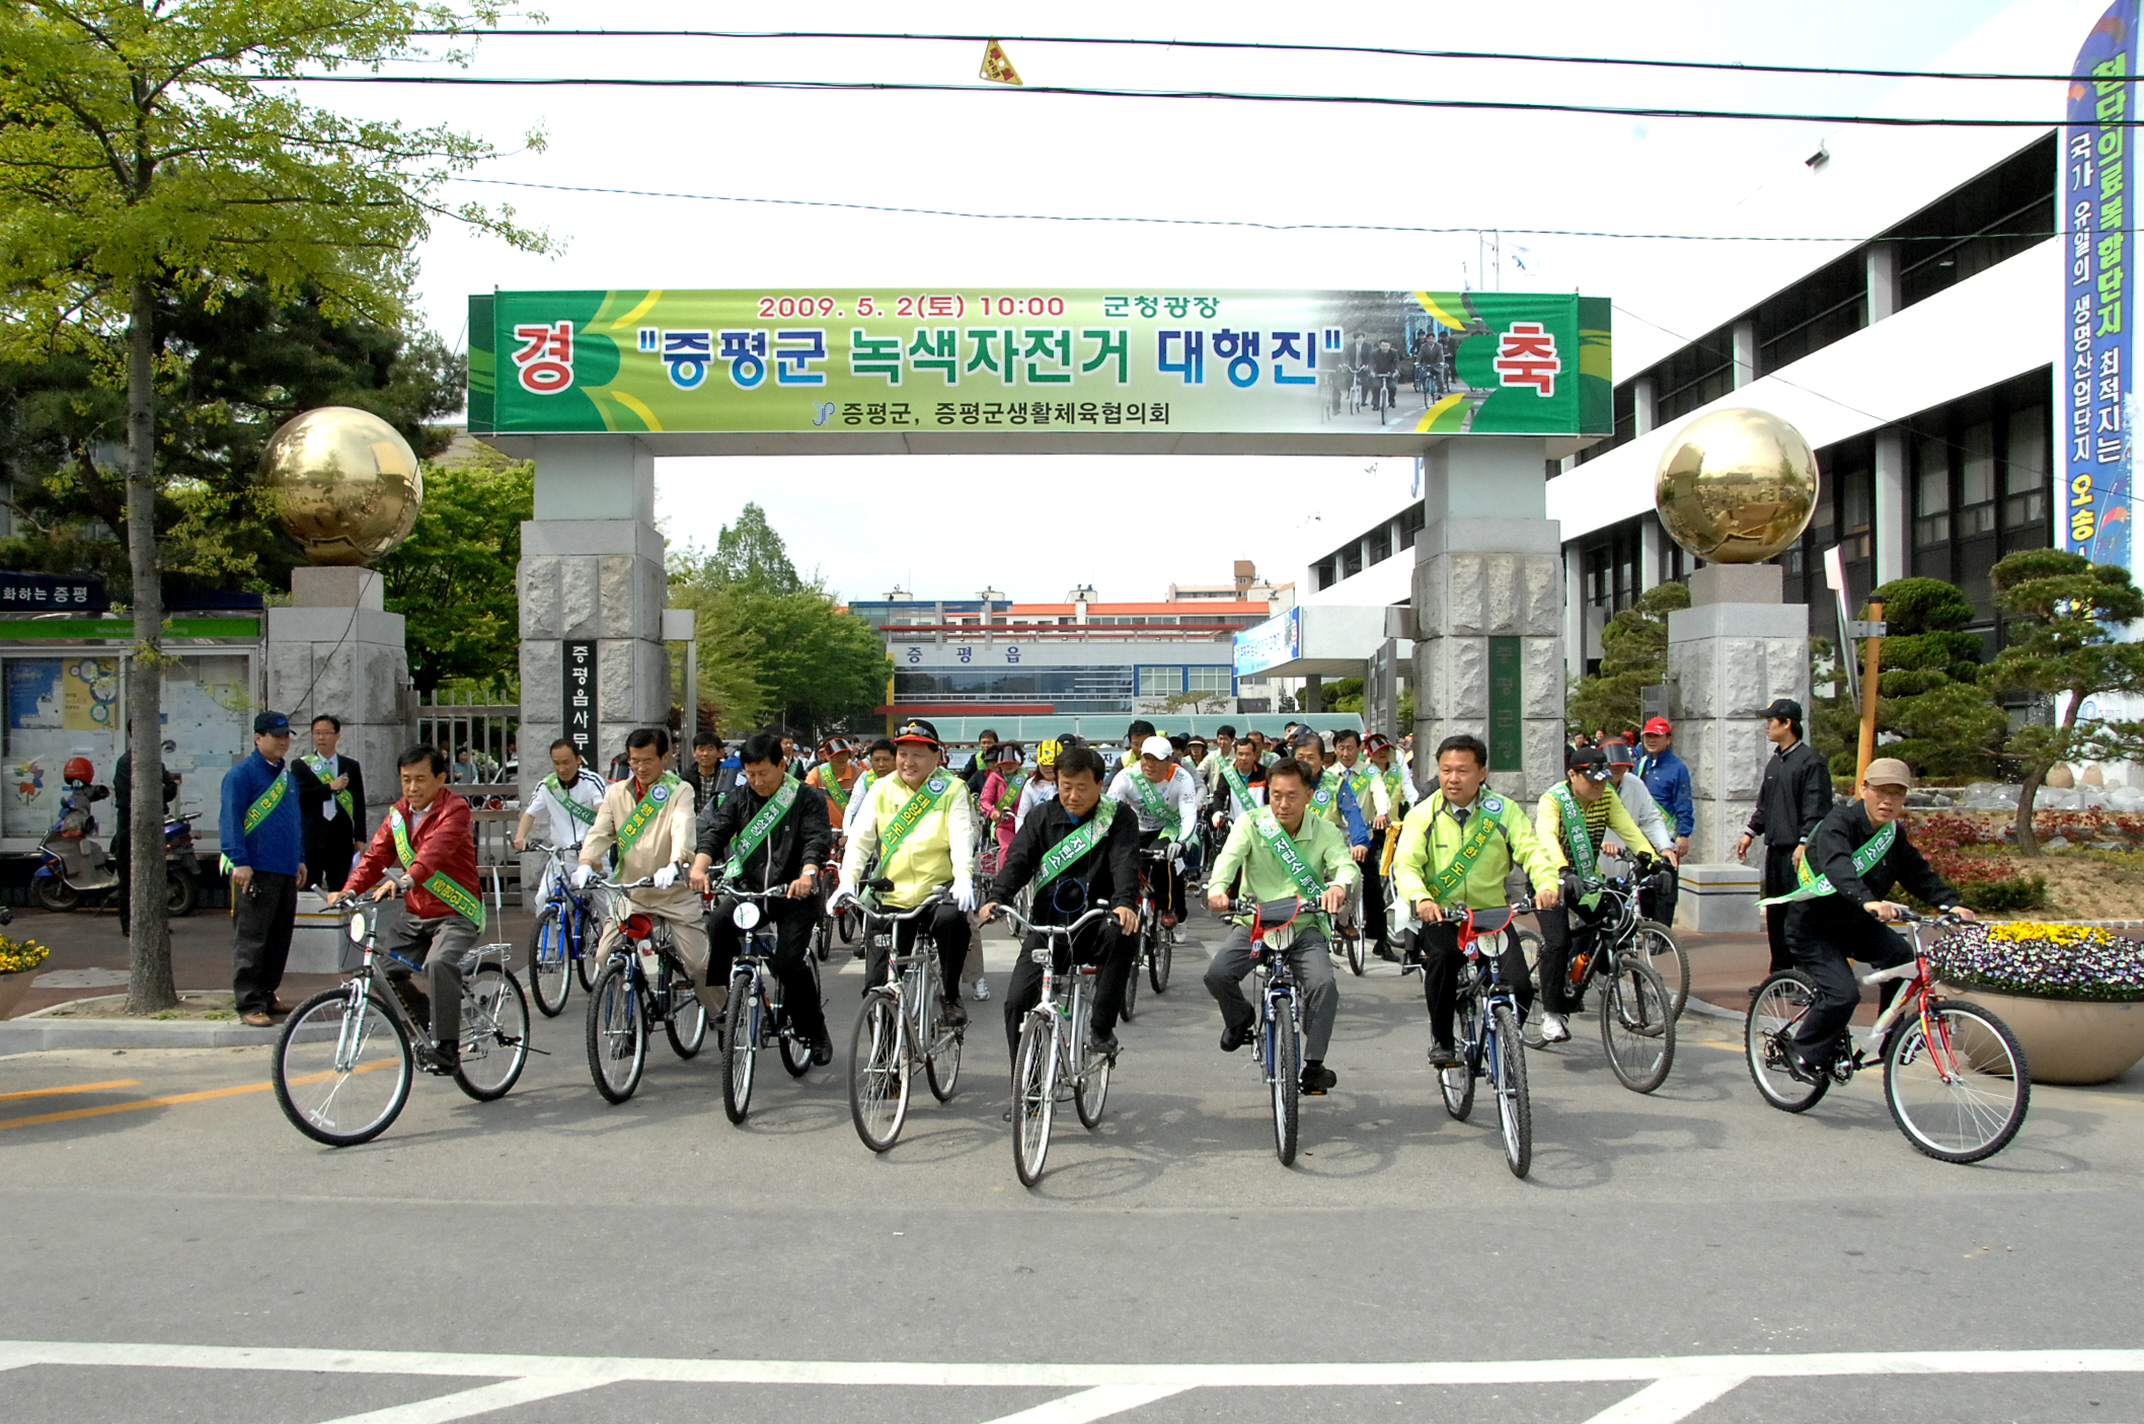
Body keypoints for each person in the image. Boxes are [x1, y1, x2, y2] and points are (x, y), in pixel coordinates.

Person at [1775, 758, 1975, 1081]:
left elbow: (1918, 874)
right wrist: (1868, 900)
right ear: (1863, 790)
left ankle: (1888, 1039)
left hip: (1856, 925)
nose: (1888, 801)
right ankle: (1803, 1051)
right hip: (1814, 928)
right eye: (1881, 791)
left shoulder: (1892, 834)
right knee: (1844, 994)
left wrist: (1950, 905)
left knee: (1900, 958)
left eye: (1897, 794)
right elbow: (1839, 866)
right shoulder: (1838, 823)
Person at [1391, 734, 1562, 1067]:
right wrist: (1421, 898)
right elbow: (1406, 864)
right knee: (1442, 961)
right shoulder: (1422, 815)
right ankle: (1442, 1040)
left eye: (1463, 771)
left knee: (1520, 988)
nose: (1453, 779)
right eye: (1446, 770)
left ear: (1482, 773)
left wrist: (1546, 883)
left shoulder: (1504, 811)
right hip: (1441, 915)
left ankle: (1502, 1036)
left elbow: (1532, 851)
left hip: (1490, 915)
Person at [1201, 757, 1357, 1095]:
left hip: (1303, 924)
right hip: (1255, 922)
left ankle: (1314, 1063)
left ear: (1308, 795)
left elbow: (1345, 867)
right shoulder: (1250, 824)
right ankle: (1240, 1018)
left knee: (1323, 984)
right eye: (1275, 795)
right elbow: (1228, 860)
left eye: (1291, 796)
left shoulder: (1325, 830)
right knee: (1218, 974)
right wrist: (1217, 889)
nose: (1283, 804)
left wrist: (1338, 886)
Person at [328, 744, 485, 1070]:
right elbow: (374, 858)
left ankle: (447, 1047)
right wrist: (348, 890)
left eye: (420, 780)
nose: (412, 788)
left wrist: (406, 879)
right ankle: (429, 1021)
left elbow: (435, 852)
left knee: (439, 964)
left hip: (456, 912)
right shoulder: (397, 815)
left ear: (440, 778)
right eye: (406, 780)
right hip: (416, 913)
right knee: (383, 972)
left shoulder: (454, 810)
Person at [982, 744, 1141, 1061]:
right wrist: (998, 897)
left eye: (1082, 788)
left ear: (1100, 784)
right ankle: (1028, 1084)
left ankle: (1101, 1028)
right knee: (1016, 1002)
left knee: (1124, 932)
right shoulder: (1041, 817)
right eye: (1065, 787)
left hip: (1095, 922)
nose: (1073, 795)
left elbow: (1125, 862)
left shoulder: (1118, 817)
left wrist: (1124, 903)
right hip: (1047, 924)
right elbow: (1018, 863)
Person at [690, 731, 835, 1064]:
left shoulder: (806, 797)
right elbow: (715, 834)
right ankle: (728, 1000)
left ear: (782, 765)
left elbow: (816, 839)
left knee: (787, 961)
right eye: (750, 774)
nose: (757, 781)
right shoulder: (738, 798)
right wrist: (699, 867)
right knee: (718, 924)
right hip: (752, 891)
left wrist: (807, 874)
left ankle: (815, 1031)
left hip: (795, 895)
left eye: (763, 773)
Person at [837, 717, 977, 1026]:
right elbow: (860, 841)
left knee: (953, 920)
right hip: (890, 893)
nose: (907, 762)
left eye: (918, 754)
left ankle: (951, 996)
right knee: (876, 984)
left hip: (935, 892)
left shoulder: (952, 789)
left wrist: (964, 875)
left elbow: (960, 836)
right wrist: (847, 880)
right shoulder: (881, 789)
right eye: (903, 754)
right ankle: (884, 1055)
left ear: (936, 756)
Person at [574, 727, 720, 1015]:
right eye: (634, 761)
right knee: (605, 957)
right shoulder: (616, 793)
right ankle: (626, 1019)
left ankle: (721, 1015)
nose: (640, 767)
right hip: (632, 893)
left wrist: (676, 862)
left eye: (647, 761)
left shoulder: (679, 790)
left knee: (699, 965)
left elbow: (683, 828)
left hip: (674, 892)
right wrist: (586, 862)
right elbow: (600, 832)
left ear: (665, 758)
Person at [1533, 745, 1660, 1044]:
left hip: (1587, 878)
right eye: (1591, 780)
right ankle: (1552, 1013)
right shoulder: (1553, 800)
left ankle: (1598, 971)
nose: (1598, 786)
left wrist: (1653, 861)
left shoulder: (1606, 797)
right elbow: (1546, 837)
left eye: (1602, 780)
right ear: (1572, 775)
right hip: (1550, 877)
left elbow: (1630, 831)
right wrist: (1562, 871)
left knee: (1618, 919)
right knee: (1558, 941)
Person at [1734, 697, 1833, 980]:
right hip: (1775, 850)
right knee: (1776, 914)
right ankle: (1779, 975)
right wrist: (1749, 832)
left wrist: (1804, 843)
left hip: (1800, 852)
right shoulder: (1775, 762)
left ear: (1787, 723)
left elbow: (1817, 808)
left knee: (1800, 915)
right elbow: (1765, 805)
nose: (1766, 726)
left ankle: (1808, 977)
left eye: (1771, 721)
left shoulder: (1811, 762)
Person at [219, 711, 306, 1027]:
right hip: (255, 869)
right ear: (258, 738)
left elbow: (294, 821)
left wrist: (299, 857)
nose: (283, 741)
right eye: (276, 735)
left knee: (278, 936)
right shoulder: (241, 776)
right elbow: (230, 819)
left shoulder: (288, 778)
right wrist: (239, 859)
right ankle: (249, 1002)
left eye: (286, 736)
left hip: (284, 868)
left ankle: (267, 993)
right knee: (252, 937)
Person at [1107, 734, 1201, 926]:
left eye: (1156, 760)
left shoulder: (1182, 778)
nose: (1149, 764)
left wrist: (1182, 842)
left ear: (1169, 761)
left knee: (1164, 859)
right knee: (1127, 865)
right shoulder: (1126, 777)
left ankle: (1167, 909)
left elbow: (1189, 815)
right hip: (1136, 828)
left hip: (1167, 828)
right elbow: (1107, 812)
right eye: (1145, 758)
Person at [512, 739, 607, 896]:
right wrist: (520, 837)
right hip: (562, 856)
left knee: (607, 906)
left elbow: (603, 810)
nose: (561, 769)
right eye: (556, 763)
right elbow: (530, 813)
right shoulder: (547, 786)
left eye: (566, 762)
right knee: (543, 897)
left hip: (594, 855)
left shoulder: (591, 781)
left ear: (578, 760)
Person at [1333, 729, 1396, 958]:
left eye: (1350, 747)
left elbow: (1380, 793)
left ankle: (1381, 940)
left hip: (1364, 838)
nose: (1345, 753)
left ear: (1360, 748)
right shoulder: (1331, 775)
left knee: (1372, 886)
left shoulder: (1369, 772)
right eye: (1341, 748)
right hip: (1336, 841)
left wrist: (1381, 813)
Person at [292, 714, 366, 891]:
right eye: (317, 733)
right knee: (309, 888)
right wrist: (329, 788)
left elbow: (359, 803)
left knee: (340, 888)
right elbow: (299, 796)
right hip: (311, 838)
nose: (321, 737)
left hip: (340, 838)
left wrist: (360, 837)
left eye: (326, 733)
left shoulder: (350, 766)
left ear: (337, 735)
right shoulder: (301, 765)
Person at [111, 747, 179, 937]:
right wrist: (156, 793)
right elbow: (132, 797)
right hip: (129, 825)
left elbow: (170, 787)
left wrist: (157, 793)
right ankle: (128, 923)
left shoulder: (155, 761)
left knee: (155, 874)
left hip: (153, 823)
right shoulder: (126, 762)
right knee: (128, 876)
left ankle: (155, 921)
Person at [1635, 716, 1694, 925]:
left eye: (1656, 736)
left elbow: (1683, 802)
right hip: (1642, 837)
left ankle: (1662, 934)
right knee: (1645, 886)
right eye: (1648, 736)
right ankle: (1649, 928)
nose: (1651, 740)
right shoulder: (1641, 765)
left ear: (1668, 739)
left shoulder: (1678, 768)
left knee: (1665, 888)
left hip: (1667, 837)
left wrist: (1684, 835)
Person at [807, 735, 863, 837]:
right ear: (828, 757)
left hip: (853, 833)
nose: (841, 758)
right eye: (836, 754)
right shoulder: (816, 774)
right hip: (824, 832)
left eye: (844, 754)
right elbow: (805, 799)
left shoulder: (860, 774)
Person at [1014, 738, 1063, 830]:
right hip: (1039, 831)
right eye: (1044, 764)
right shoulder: (1031, 785)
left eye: (1052, 764)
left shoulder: (1070, 782)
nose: (1048, 768)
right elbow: (1021, 817)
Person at [682, 732, 727, 813]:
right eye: (701, 749)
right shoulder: (685, 777)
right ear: (694, 753)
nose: (705, 754)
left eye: (710, 749)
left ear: (719, 752)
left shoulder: (726, 776)